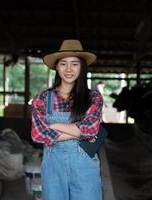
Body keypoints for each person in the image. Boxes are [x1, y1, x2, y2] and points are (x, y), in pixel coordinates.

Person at [30, 39, 103, 200]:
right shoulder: (43, 98)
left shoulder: (93, 98)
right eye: (63, 64)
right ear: (56, 66)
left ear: (82, 67)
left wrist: (54, 125)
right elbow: (37, 134)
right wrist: (78, 131)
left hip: (85, 166)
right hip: (52, 168)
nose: (68, 69)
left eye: (75, 64)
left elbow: (91, 130)